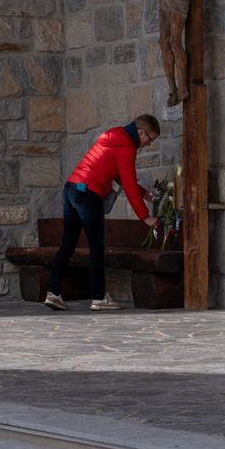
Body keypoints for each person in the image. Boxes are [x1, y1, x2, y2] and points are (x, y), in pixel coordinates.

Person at [44, 115, 160, 311]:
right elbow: (129, 185)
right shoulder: (127, 147)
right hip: (89, 195)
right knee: (96, 247)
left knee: (68, 243)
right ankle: (98, 298)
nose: (148, 144)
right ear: (141, 132)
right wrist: (145, 217)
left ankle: (53, 293)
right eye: (150, 139)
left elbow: (121, 177)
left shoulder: (115, 135)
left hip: (72, 188)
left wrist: (146, 194)